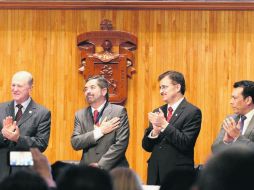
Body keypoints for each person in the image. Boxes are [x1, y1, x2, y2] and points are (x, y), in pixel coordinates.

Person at [142, 70, 202, 185]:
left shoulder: (192, 112)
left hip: (178, 174)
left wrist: (164, 125)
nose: (161, 91)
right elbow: (146, 146)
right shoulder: (158, 111)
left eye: (164, 87)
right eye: (160, 88)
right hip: (155, 172)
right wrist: (155, 132)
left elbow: (186, 143)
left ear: (177, 87)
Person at [0, 71, 51, 181]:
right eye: (13, 85)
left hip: (25, 173)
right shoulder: (1, 108)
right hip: (1, 170)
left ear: (30, 88)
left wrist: (18, 139)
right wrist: (3, 135)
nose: (15, 89)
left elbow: (41, 144)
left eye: (19, 86)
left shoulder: (42, 113)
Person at [71, 75, 129, 170]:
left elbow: (121, 144)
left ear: (104, 91)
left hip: (114, 170)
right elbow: (75, 142)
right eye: (85, 89)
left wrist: (101, 165)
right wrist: (100, 131)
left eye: (92, 88)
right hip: (87, 170)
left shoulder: (119, 112)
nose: (88, 91)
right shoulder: (80, 115)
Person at [212, 80, 254, 154]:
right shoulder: (231, 119)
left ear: (248, 100)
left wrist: (237, 136)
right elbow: (215, 149)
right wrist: (226, 141)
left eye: (234, 98)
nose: (231, 102)